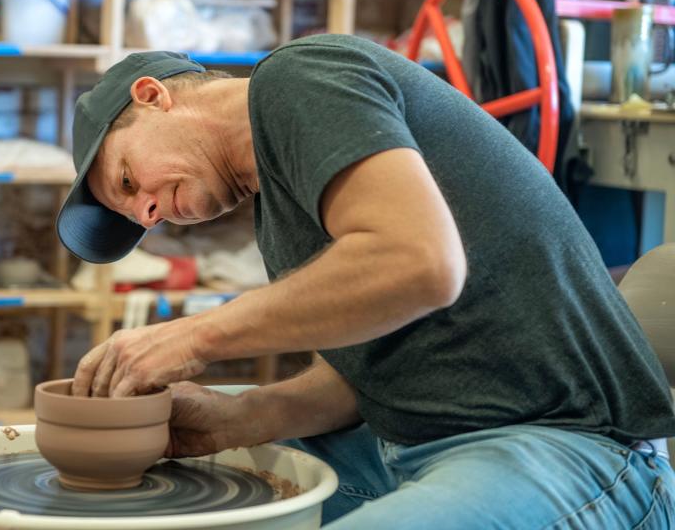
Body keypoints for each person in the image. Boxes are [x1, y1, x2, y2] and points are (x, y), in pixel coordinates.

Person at [55, 34, 675, 528]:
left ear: (152, 95)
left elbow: (422, 263)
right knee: (179, 502)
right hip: (413, 443)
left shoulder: (298, 77)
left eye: (129, 182)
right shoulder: (280, 209)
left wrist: (191, 338)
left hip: (571, 448)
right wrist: (245, 416)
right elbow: (369, 370)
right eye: (133, 216)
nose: (147, 216)